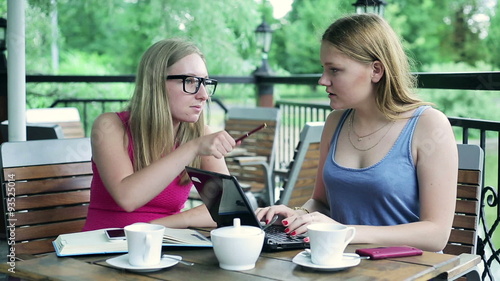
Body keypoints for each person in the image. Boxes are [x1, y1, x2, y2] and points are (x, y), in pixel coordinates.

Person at [256, 14, 458, 252]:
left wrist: (346, 232)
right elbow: (321, 202)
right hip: (341, 263)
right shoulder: (335, 123)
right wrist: (298, 215)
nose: (323, 80)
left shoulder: (429, 124)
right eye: (324, 69)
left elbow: (436, 235)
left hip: (409, 269)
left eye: (335, 70)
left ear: (376, 70)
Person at [83, 38, 236, 231]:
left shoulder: (199, 134)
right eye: (190, 81)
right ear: (156, 83)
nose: (204, 95)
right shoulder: (110, 126)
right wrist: (192, 148)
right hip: (102, 249)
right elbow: (127, 198)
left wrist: (157, 225)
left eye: (204, 82)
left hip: (165, 245)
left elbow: (226, 208)